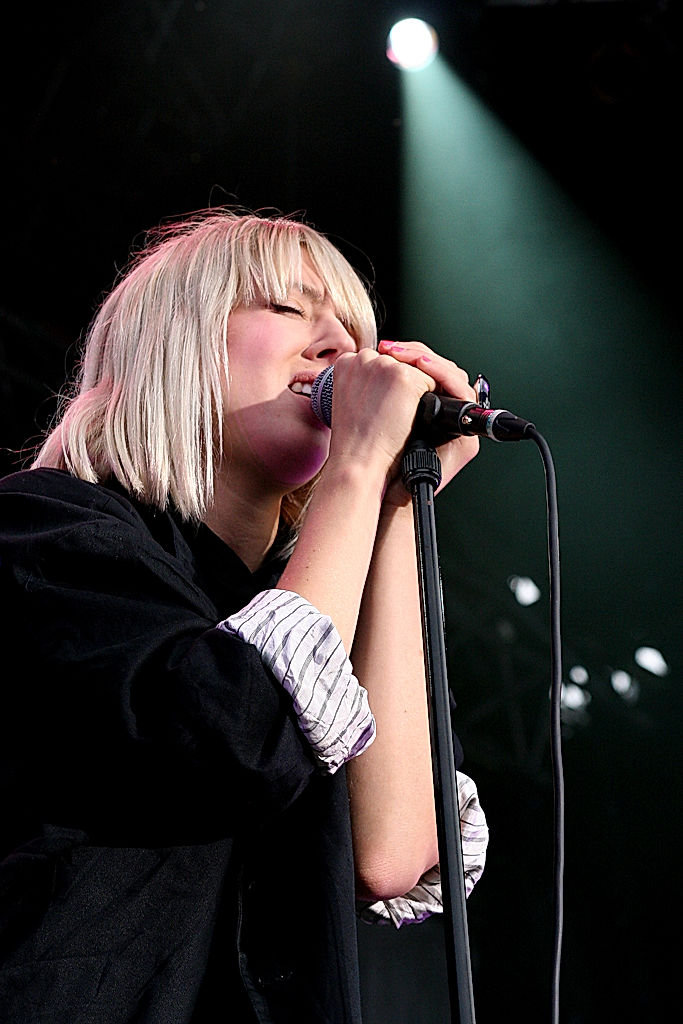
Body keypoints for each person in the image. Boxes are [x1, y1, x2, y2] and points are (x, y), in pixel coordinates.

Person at [0, 208, 488, 1023]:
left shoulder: (306, 601)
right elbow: (236, 733)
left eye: (352, 327)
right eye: (292, 308)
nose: (341, 346)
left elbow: (392, 854)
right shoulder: (44, 533)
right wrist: (357, 467)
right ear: (175, 340)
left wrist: (399, 501)